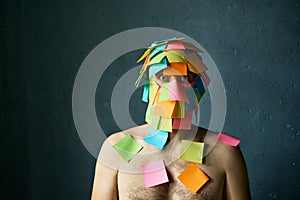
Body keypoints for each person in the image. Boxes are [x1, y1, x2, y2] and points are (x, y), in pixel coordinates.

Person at [91, 38, 251, 200]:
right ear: (148, 86)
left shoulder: (224, 153)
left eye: (184, 79)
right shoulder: (116, 149)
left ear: (197, 88)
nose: (174, 91)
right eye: (163, 77)